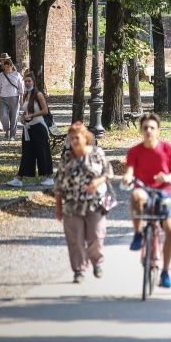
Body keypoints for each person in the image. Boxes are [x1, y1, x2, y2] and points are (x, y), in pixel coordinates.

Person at [123, 112, 171, 289]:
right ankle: (138, 233)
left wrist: (167, 177)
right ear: (141, 130)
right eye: (145, 128)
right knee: (135, 195)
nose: (148, 131)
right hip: (145, 190)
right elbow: (130, 171)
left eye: (152, 128)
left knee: (170, 229)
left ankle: (165, 271)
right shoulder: (134, 151)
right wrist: (127, 177)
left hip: (166, 192)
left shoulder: (167, 149)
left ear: (158, 130)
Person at [53, 121, 113, 283]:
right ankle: (79, 270)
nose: (74, 141)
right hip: (72, 205)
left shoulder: (96, 153)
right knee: (75, 239)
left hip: (95, 203)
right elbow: (58, 184)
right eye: (71, 138)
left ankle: (97, 262)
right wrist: (58, 208)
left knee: (96, 235)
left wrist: (98, 182)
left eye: (77, 137)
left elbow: (108, 173)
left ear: (85, 137)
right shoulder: (66, 158)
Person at [8, 70, 53, 187]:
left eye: (29, 81)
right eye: (25, 81)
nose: (27, 83)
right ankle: (19, 178)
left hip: (39, 128)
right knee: (27, 153)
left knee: (43, 152)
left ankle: (49, 177)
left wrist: (31, 115)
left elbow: (45, 110)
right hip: (28, 128)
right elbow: (26, 110)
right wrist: (23, 117)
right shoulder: (26, 94)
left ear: (33, 82)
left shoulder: (38, 94)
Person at [0, 55, 23, 140]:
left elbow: (21, 87)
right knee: (3, 115)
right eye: (5, 67)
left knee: (14, 117)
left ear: (11, 66)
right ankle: (7, 130)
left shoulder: (17, 75)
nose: (6, 69)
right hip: (3, 98)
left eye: (8, 67)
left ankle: (12, 135)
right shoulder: (1, 75)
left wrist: (21, 98)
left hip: (14, 98)